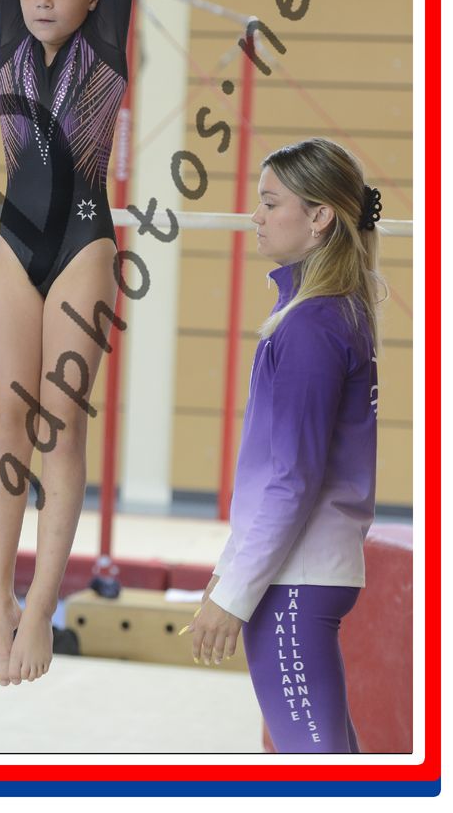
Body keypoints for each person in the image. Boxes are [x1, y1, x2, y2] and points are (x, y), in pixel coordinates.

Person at [0, 0, 138, 686]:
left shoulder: (108, 40)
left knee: (59, 429)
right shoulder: (9, 27)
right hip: (13, 242)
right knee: (8, 420)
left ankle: (40, 608)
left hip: (82, 243)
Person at [189, 137, 383, 753]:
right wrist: (228, 570)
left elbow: (293, 480)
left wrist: (235, 593)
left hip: (293, 581)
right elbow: (276, 477)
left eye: (271, 203)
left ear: (320, 215)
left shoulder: (312, 326)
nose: (256, 216)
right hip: (303, 572)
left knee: (315, 775)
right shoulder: (330, 313)